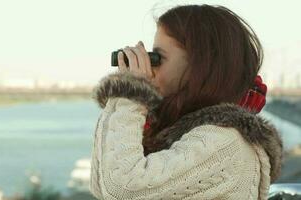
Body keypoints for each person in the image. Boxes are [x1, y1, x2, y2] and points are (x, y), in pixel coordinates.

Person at [89, 4, 283, 200]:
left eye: (158, 58)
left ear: (201, 66)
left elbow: (122, 190)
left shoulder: (225, 143)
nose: (150, 67)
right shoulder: (188, 132)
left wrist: (129, 93)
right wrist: (119, 96)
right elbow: (102, 186)